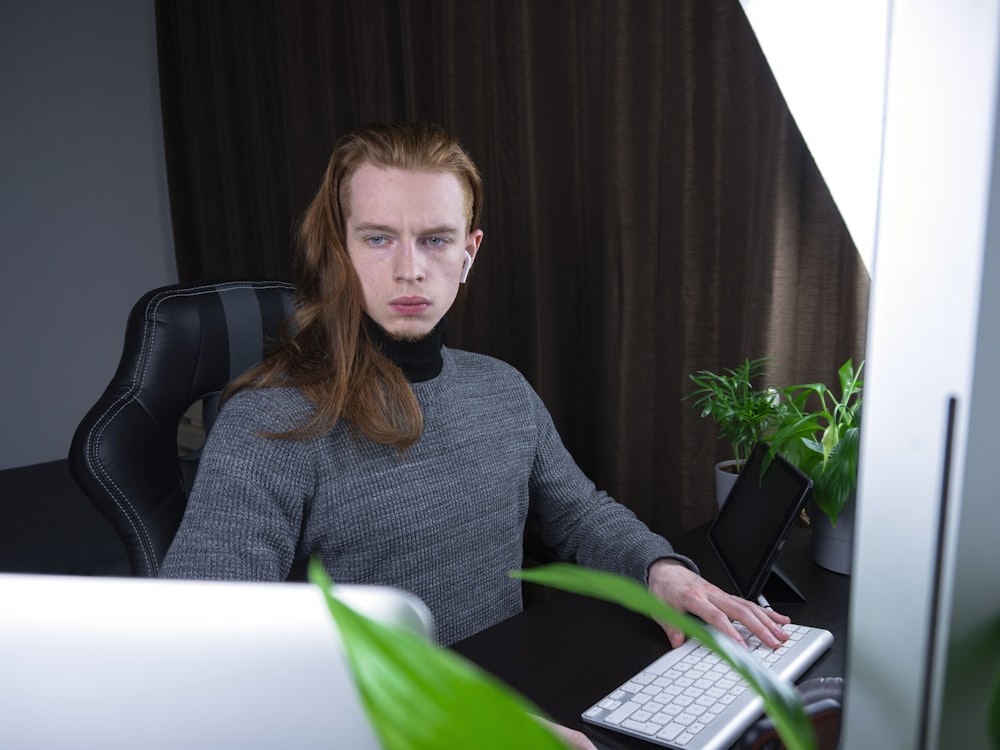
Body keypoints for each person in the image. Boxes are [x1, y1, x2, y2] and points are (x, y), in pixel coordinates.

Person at [161, 120, 789, 653]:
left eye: (436, 240)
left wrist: (659, 570)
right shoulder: (270, 422)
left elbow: (581, 515)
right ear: (339, 249)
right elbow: (206, 647)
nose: (410, 268)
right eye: (378, 238)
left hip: (510, 696)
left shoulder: (503, 390)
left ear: (469, 252)